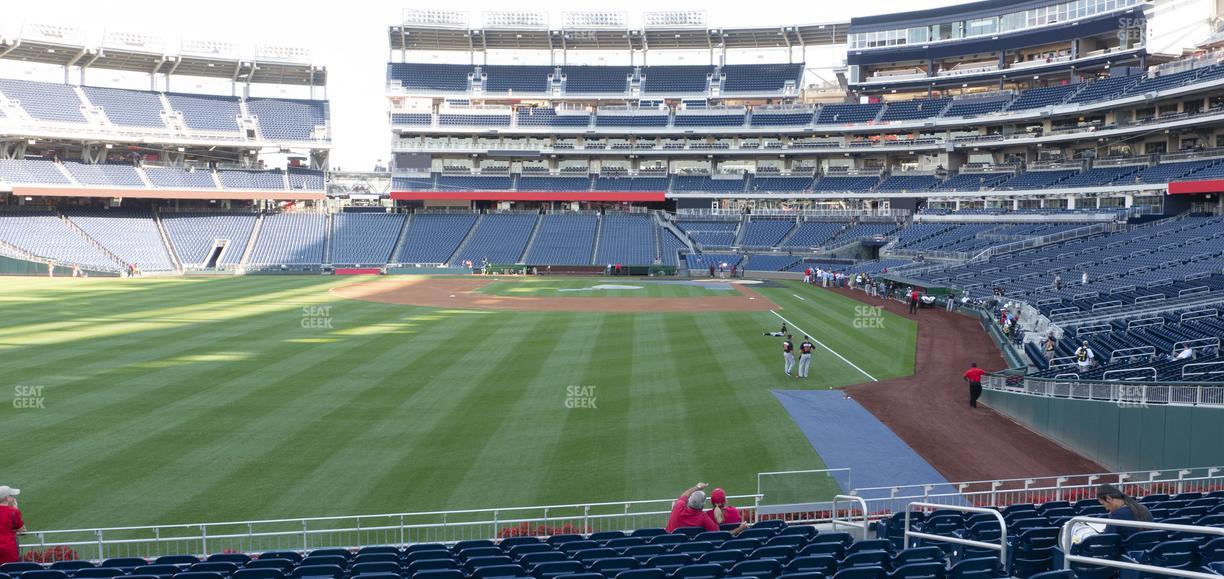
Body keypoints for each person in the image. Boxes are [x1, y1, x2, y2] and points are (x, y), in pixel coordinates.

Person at [0, 486, 24, 565]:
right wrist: (15, 508)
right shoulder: (13, 511)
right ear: (7, 498)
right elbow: (22, 530)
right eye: (12, 496)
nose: (14, 498)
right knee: (10, 572)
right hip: (9, 549)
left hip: (8, 549)